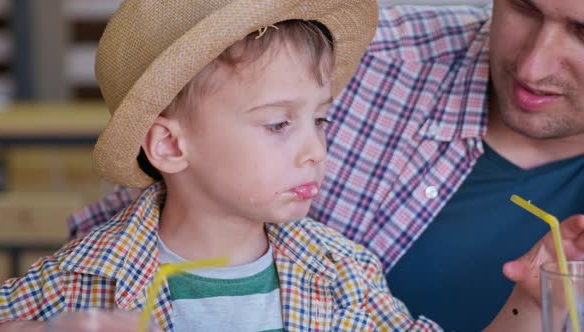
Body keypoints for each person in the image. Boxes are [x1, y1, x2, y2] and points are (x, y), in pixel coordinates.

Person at [62, 0, 584, 330]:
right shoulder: (324, 53)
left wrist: (535, 305)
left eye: (582, 32)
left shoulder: (343, 275)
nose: (535, 64)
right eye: (523, 8)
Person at [0, 0, 447, 330]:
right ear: (170, 145)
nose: (316, 150)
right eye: (277, 124)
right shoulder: (77, 282)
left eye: (321, 119)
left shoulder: (346, 275)